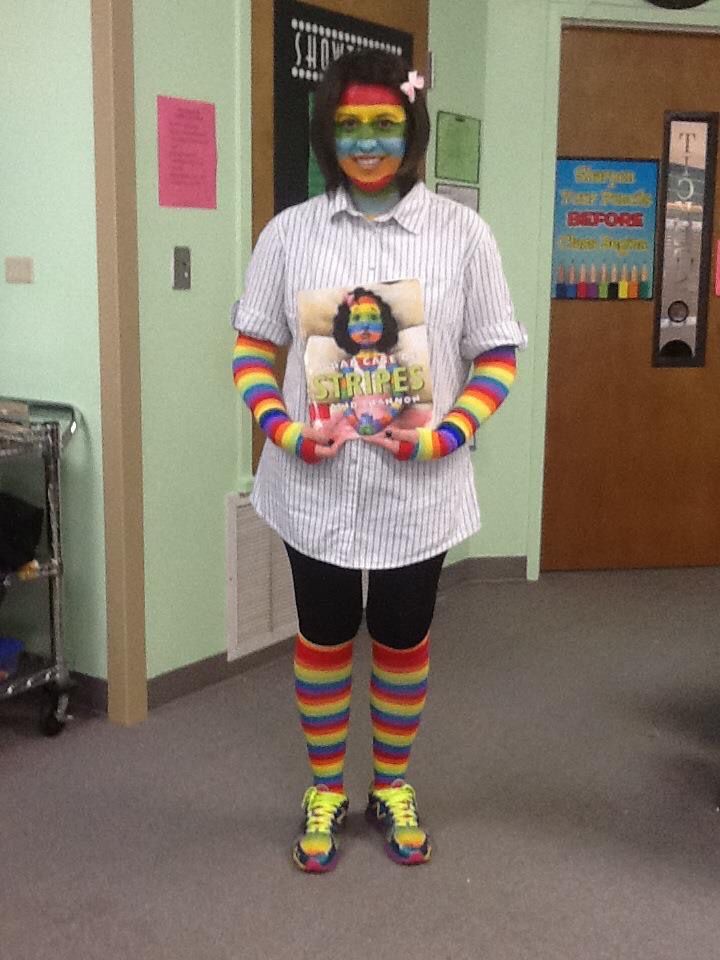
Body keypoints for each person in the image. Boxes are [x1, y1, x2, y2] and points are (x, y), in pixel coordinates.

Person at [232, 49, 527, 873]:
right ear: (328, 134)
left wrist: (446, 433)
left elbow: (497, 351)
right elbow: (254, 347)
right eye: (350, 127)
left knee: (402, 635)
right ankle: (326, 786)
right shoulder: (289, 233)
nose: (367, 143)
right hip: (312, 485)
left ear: (413, 127)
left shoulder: (463, 234)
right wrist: (287, 432)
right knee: (324, 633)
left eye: (384, 124)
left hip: (420, 489)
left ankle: (390, 782)